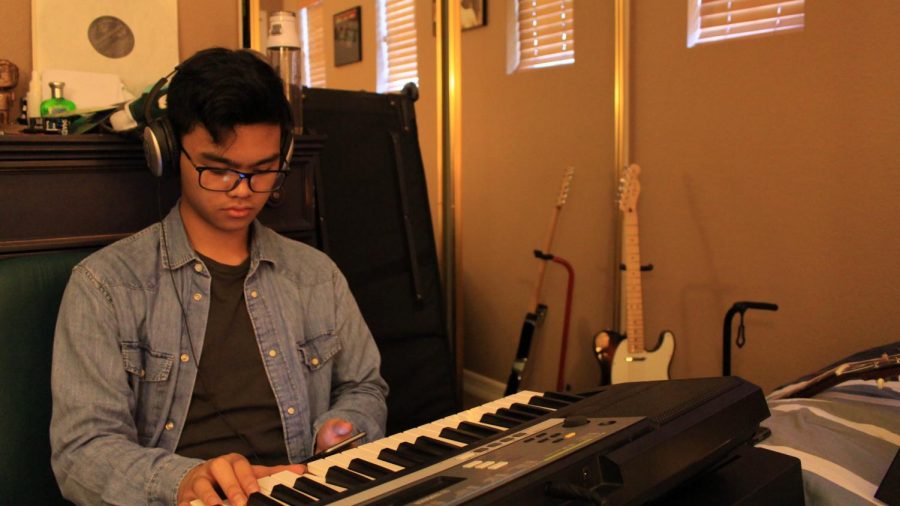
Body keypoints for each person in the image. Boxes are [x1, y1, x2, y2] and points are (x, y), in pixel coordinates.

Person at [50, 47, 388, 506]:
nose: (243, 191)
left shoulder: (316, 275)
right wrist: (180, 481)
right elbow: (81, 453)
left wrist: (345, 425)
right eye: (219, 170)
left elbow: (364, 386)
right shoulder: (105, 286)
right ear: (169, 153)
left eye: (263, 170)